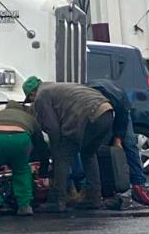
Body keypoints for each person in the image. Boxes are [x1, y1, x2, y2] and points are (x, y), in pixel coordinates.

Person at [26, 77, 114, 212]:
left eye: (30, 99)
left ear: (32, 93)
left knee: (63, 156)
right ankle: (94, 197)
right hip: (106, 111)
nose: (32, 102)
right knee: (88, 153)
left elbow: (53, 130)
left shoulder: (41, 96)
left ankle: (58, 200)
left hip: (86, 114)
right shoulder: (58, 87)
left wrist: (54, 153)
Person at [88, 77, 149, 208]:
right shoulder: (87, 99)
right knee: (100, 149)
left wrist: (118, 139)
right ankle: (106, 186)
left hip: (121, 107)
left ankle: (139, 185)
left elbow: (122, 119)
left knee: (130, 144)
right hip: (102, 104)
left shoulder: (118, 100)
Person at [0, 101, 42, 218]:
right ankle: (24, 206)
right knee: (21, 171)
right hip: (22, 138)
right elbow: (40, 143)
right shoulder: (28, 117)